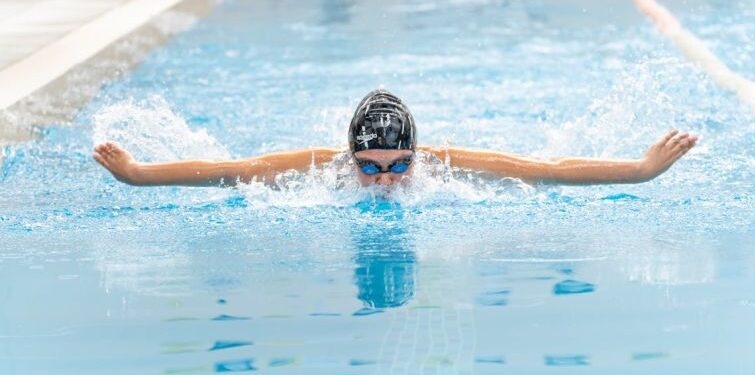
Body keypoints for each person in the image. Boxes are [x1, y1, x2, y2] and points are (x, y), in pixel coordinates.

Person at [93, 89, 698, 188]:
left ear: (417, 152)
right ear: (351, 154)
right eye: (371, 167)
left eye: (397, 165)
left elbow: (546, 168)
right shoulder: (321, 169)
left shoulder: (446, 166)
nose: (385, 181)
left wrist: (642, 170)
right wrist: (138, 173)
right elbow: (229, 169)